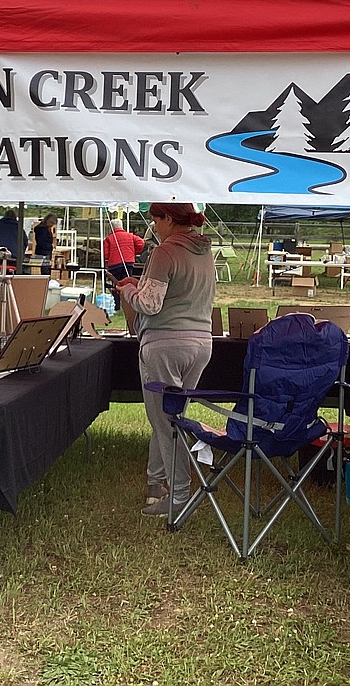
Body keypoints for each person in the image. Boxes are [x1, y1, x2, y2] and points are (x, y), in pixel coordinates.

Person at [115, 202, 216, 517]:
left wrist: (129, 291)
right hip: (201, 343)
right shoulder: (204, 252)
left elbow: (150, 304)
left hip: (165, 344)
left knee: (165, 422)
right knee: (171, 417)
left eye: (155, 219)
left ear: (168, 219)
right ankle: (155, 484)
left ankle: (179, 496)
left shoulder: (165, 252)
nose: (153, 226)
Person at [103, 219, 146, 310]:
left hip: (114, 264)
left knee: (116, 284)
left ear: (112, 227)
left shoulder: (109, 238)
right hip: (129, 262)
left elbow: (105, 254)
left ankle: (117, 304)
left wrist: (108, 260)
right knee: (127, 283)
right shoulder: (130, 236)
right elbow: (141, 242)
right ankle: (127, 304)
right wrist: (134, 252)